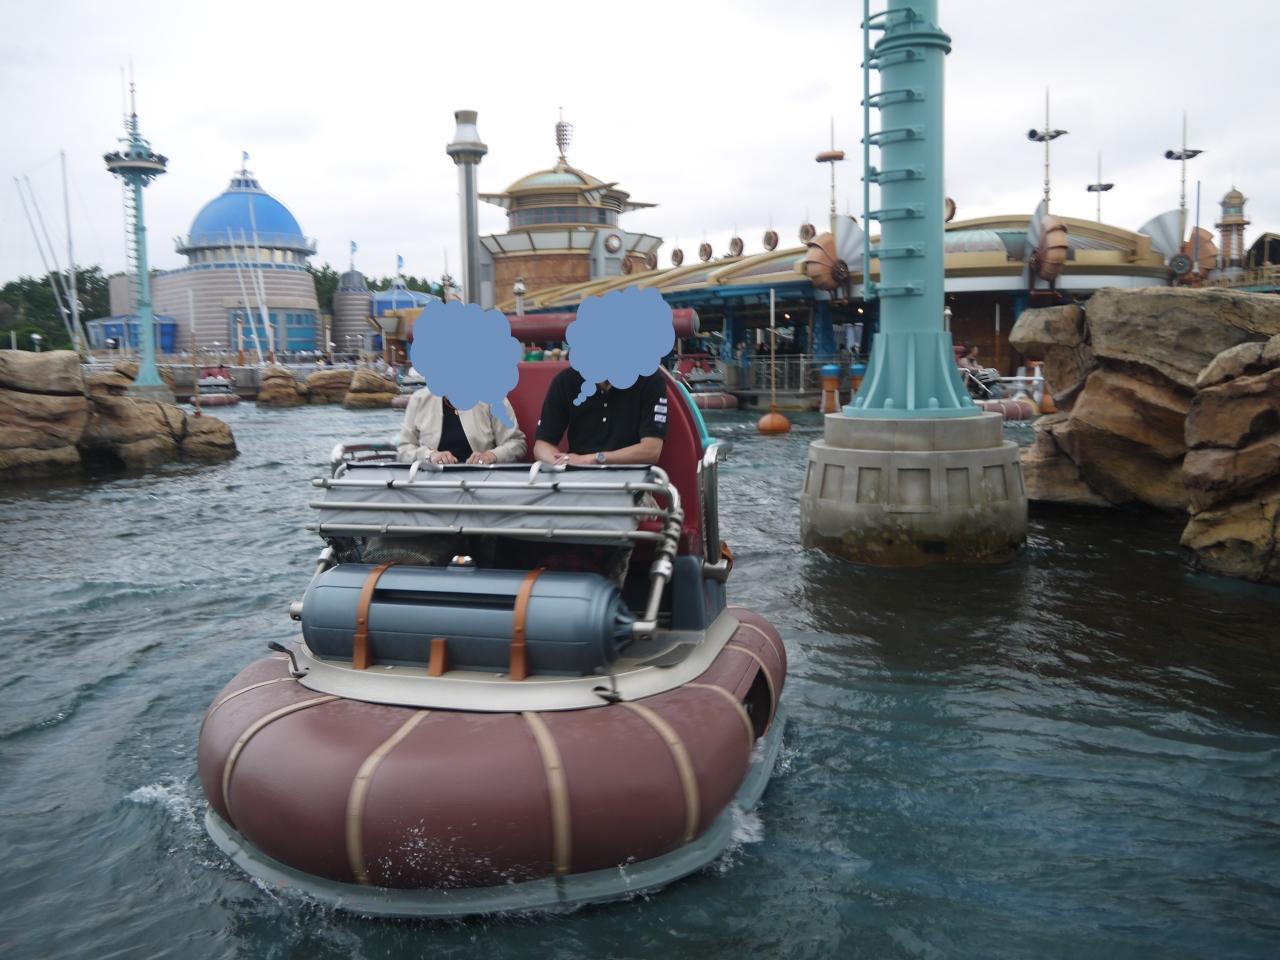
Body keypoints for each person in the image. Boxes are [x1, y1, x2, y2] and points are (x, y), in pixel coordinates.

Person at [532, 368, 667, 466]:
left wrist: (593, 459)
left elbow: (651, 451)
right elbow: (542, 445)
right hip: (577, 481)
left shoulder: (650, 380)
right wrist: (558, 462)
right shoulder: (565, 380)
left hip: (632, 483)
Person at [398, 389, 526, 465]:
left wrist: (491, 455)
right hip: (431, 483)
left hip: (483, 481)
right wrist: (429, 455)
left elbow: (517, 444)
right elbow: (403, 450)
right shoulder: (419, 399)